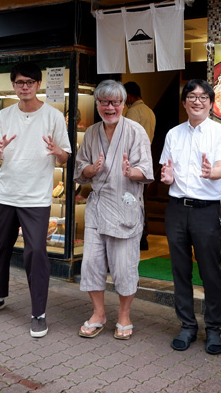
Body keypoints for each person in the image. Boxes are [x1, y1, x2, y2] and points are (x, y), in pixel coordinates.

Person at [0, 62, 72, 339]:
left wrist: (58, 152)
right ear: (14, 85)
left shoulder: (53, 116)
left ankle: (39, 312)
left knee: (36, 253)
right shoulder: (4, 116)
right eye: (20, 83)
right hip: (7, 193)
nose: (25, 87)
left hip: (37, 197)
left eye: (30, 82)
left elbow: (64, 157)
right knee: (0, 247)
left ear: (38, 84)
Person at [160, 79, 221, 354]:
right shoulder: (173, 134)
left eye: (203, 97)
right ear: (184, 102)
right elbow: (167, 171)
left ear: (211, 102)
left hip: (206, 210)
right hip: (177, 208)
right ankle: (187, 326)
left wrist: (211, 172)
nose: (197, 101)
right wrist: (167, 177)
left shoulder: (220, 132)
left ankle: (214, 330)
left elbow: (220, 168)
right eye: (191, 96)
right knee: (180, 270)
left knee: (210, 271)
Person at [74, 80, 154, 340]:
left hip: (126, 203)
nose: (110, 107)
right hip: (98, 206)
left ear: (123, 104)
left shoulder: (136, 131)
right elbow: (81, 170)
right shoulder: (91, 132)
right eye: (104, 102)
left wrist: (132, 172)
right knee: (92, 264)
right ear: (97, 104)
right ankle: (98, 313)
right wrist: (91, 170)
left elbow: (147, 170)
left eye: (115, 102)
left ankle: (124, 315)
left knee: (124, 266)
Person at [124, 81, 155, 250]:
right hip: (146, 160)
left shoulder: (133, 112)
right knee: (142, 199)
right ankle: (144, 236)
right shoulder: (150, 111)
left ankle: (135, 235)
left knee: (131, 199)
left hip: (132, 162)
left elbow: (126, 139)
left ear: (128, 95)